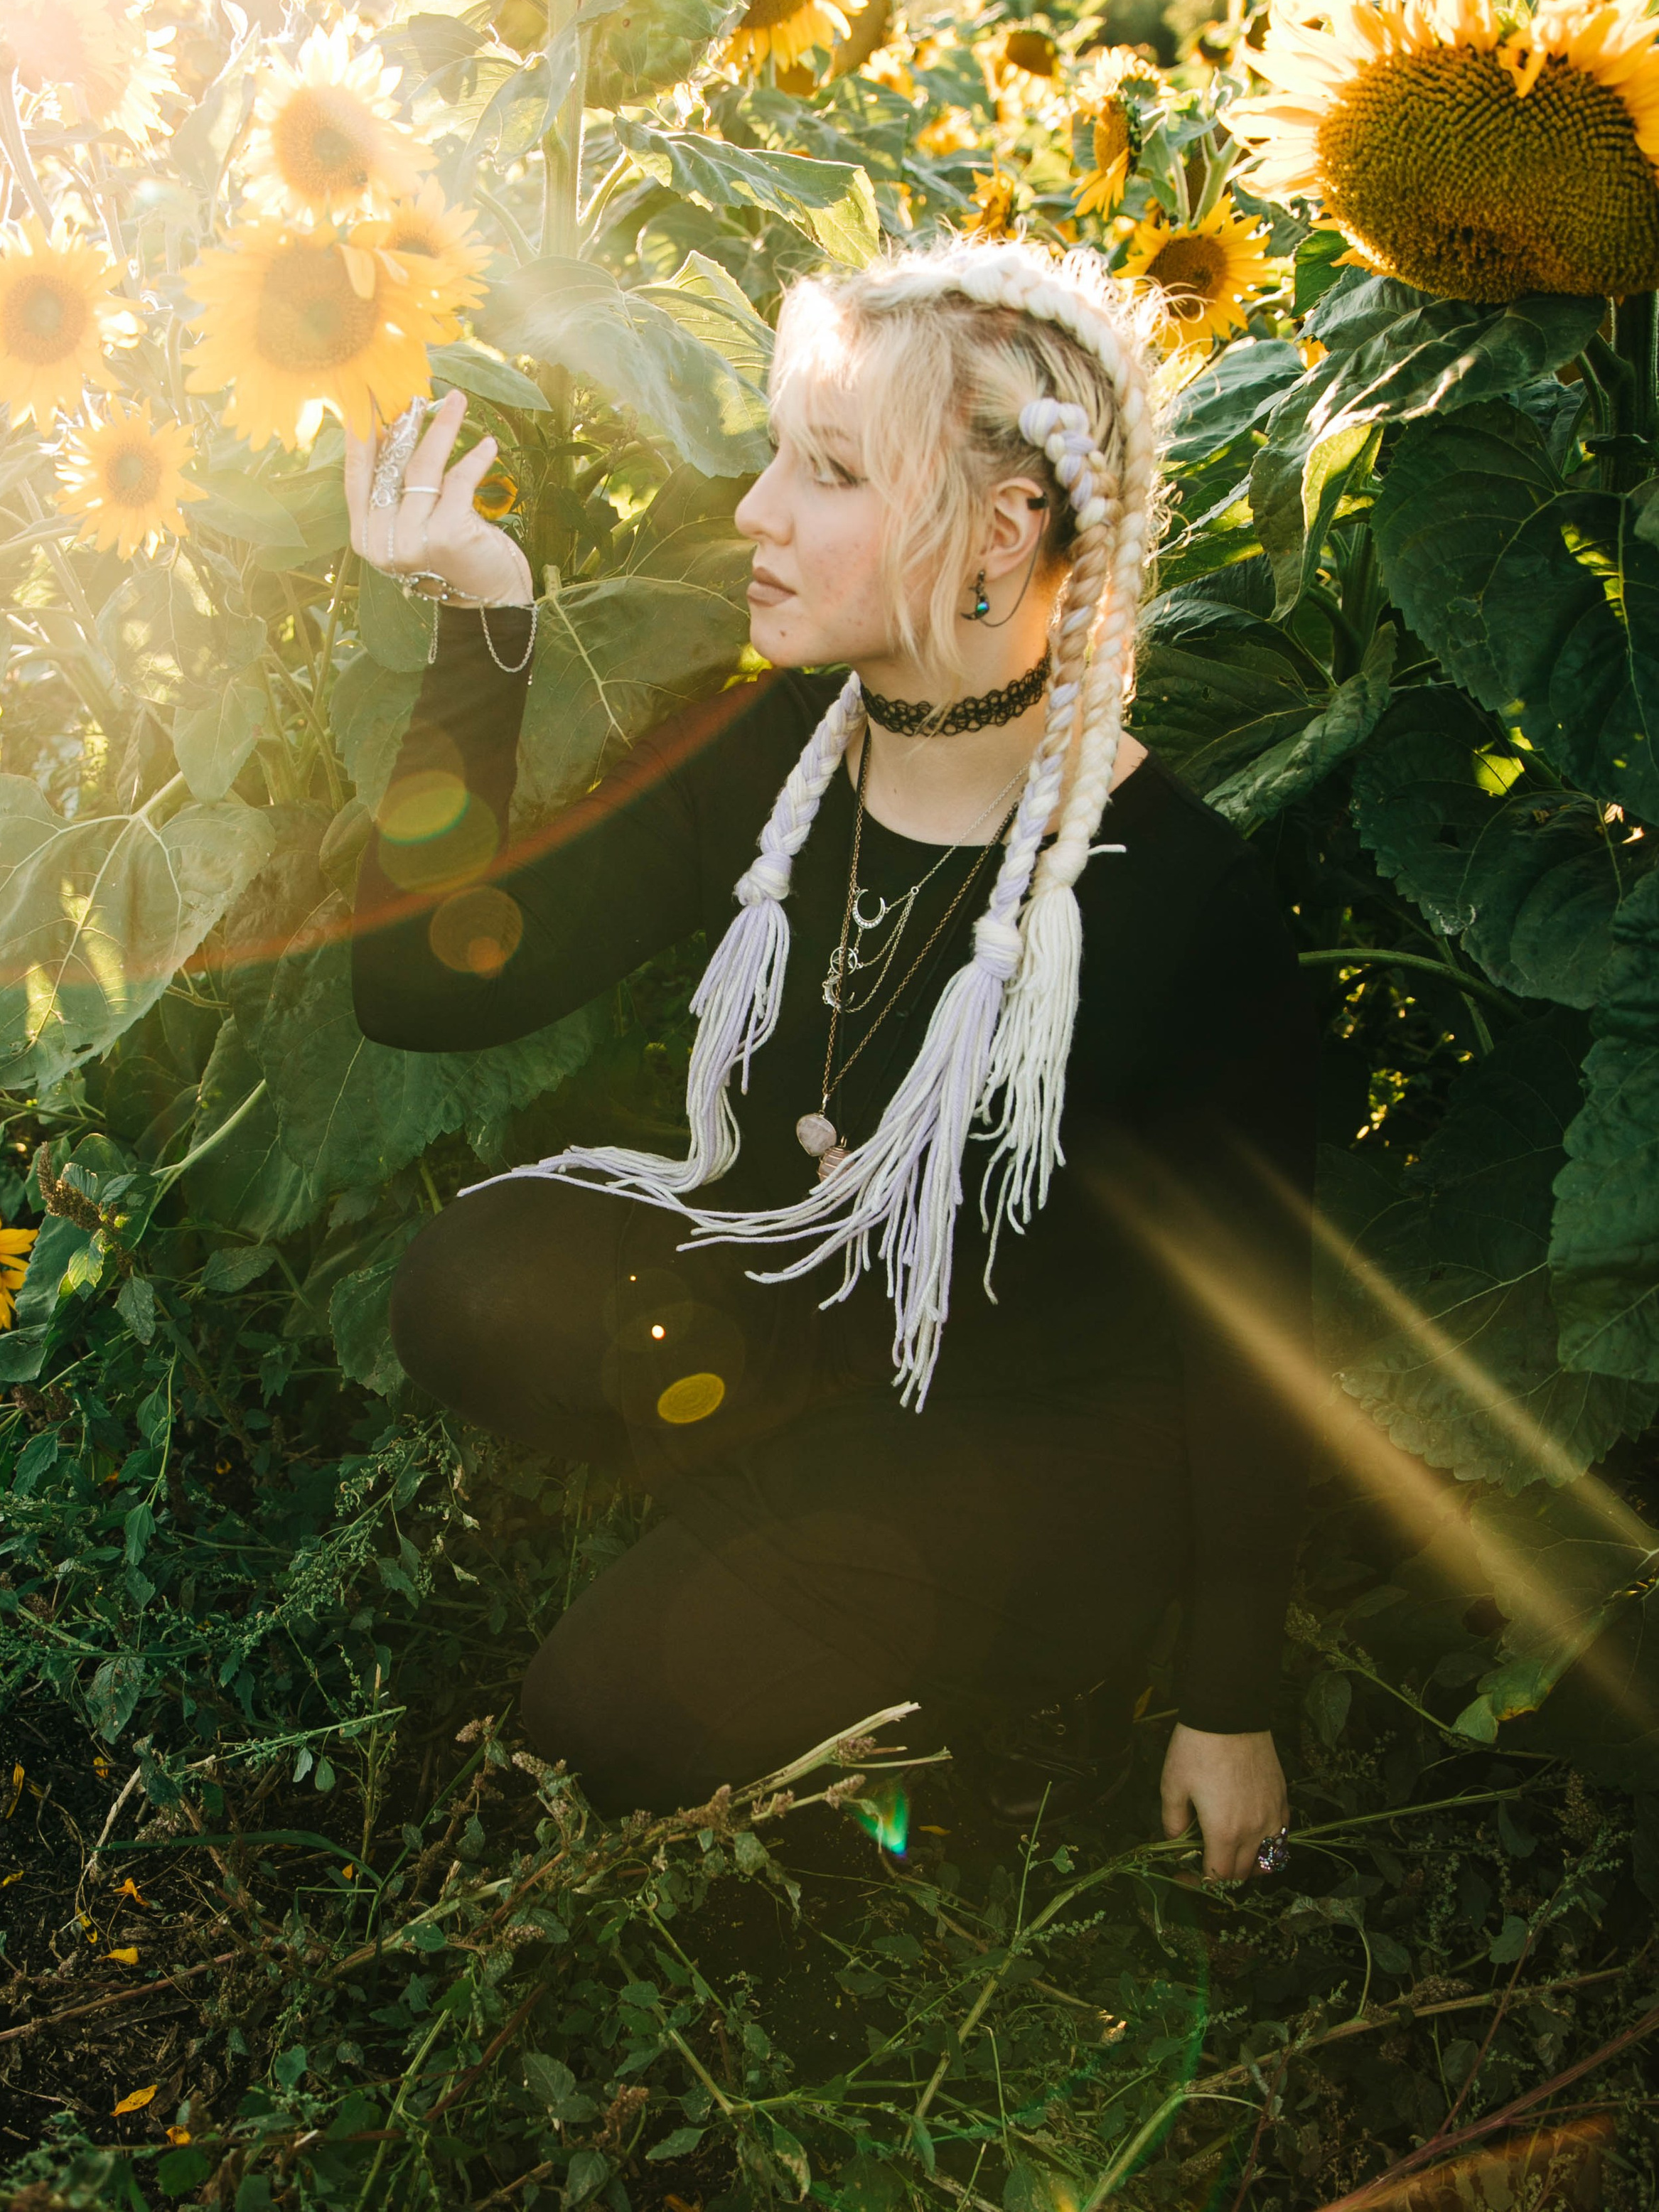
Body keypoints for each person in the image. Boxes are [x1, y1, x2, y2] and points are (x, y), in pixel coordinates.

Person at [346, 237, 1318, 1881]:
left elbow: (1247, 1340)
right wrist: (481, 626)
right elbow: (417, 993)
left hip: (1025, 1450)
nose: (756, 514)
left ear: (1001, 534)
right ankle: (766, 1516)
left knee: (587, 1726)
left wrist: (1225, 1702)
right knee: (472, 1283)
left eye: (828, 471)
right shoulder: (770, 759)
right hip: (807, 1328)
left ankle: (952, 1664)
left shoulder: (1179, 899)